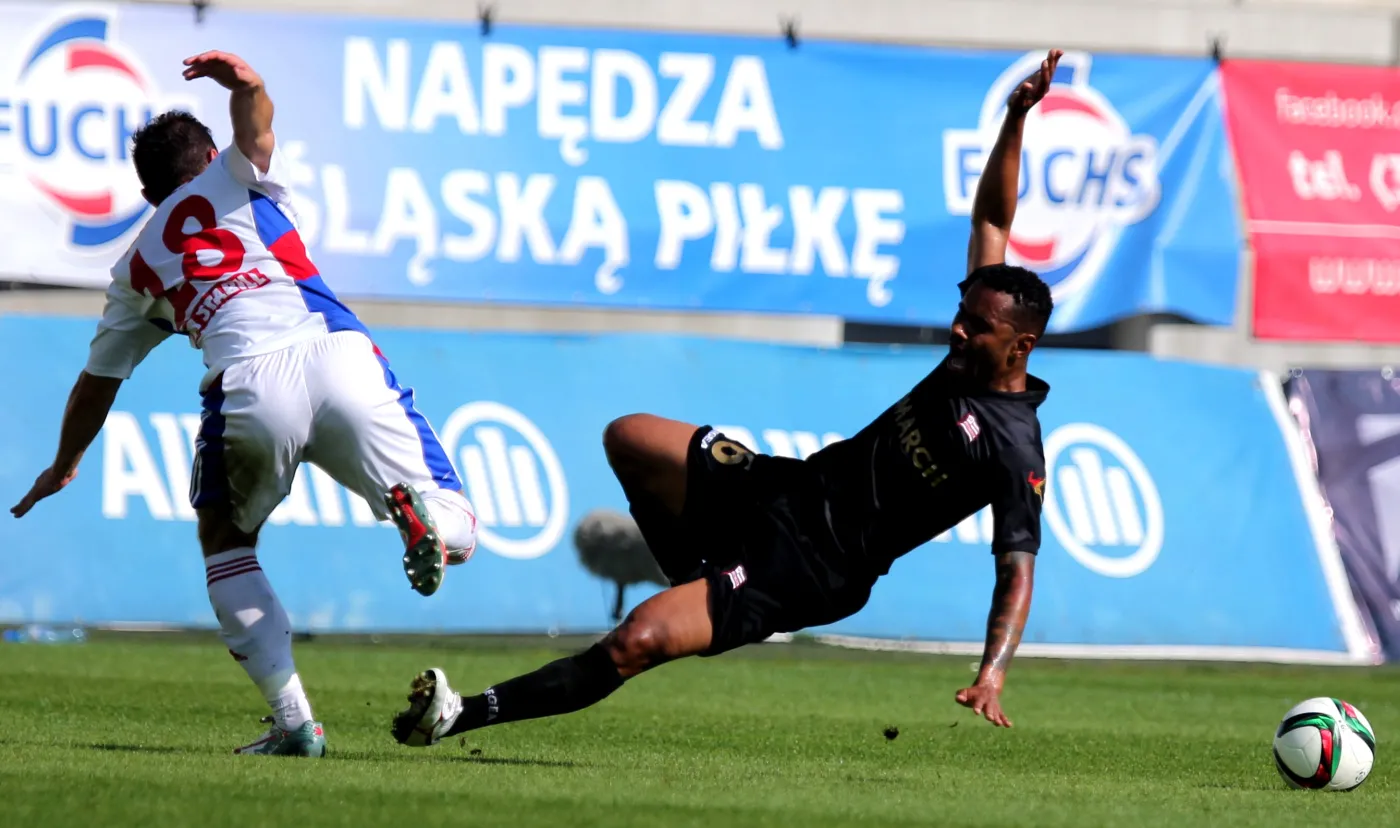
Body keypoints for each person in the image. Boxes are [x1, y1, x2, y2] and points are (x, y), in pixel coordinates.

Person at [390, 49, 1064, 747]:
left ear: (1020, 347)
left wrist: (992, 673)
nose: (957, 329)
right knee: (630, 437)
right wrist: (1016, 117)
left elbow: (1017, 570)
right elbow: (991, 219)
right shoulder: (971, 349)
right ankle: (697, 575)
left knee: (635, 639)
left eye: (976, 327)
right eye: (961, 313)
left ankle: (459, 714)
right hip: (786, 487)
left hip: (813, 568)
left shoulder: (1015, 450)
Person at [9, 51, 480, 757]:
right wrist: (248, 85)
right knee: (459, 524)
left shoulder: (134, 267)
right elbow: (255, 129)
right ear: (207, 157)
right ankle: (425, 521)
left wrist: (64, 462)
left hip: (249, 385)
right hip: (338, 354)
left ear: (149, 196)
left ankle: (295, 724)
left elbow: (97, 382)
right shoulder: (234, 175)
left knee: (227, 543)